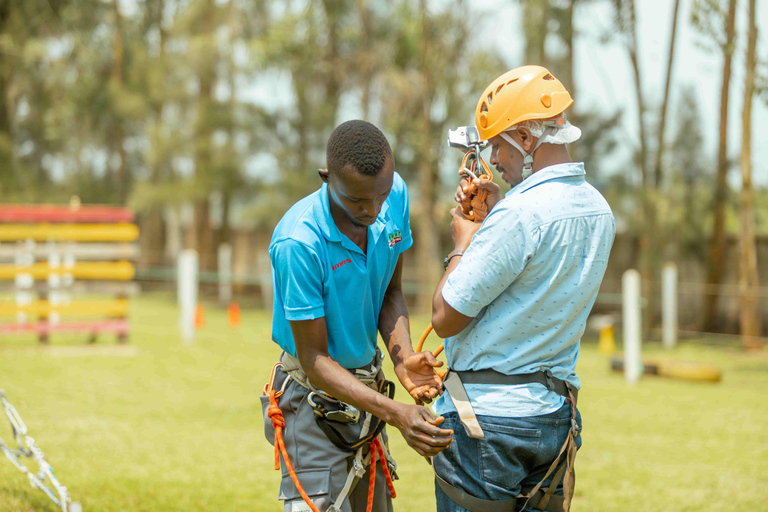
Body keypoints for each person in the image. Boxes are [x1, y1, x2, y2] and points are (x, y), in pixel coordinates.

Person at [429, 66, 616, 512]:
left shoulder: (519, 216)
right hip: (554, 416)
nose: (493, 160)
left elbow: (445, 318)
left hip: (488, 424)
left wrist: (465, 241)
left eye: (498, 145)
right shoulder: (598, 209)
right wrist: (497, 219)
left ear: (527, 140)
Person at [261, 119, 453, 512]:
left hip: (366, 393)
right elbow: (315, 361)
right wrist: (397, 413)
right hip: (313, 405)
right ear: (326, 177)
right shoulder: (300, 242)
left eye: (379, 196)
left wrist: (401, 361)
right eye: (356, 200)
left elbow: (390, 292)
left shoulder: (394, 195)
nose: (372, 210)